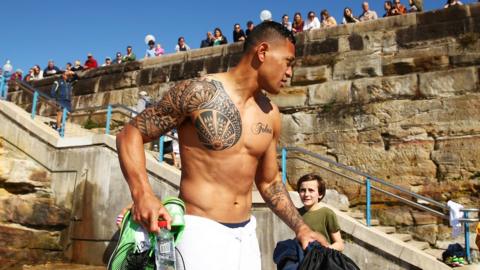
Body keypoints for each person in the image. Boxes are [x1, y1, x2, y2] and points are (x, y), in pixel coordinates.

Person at [116, 21, 328, 270]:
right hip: (200, 233)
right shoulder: (198, 93)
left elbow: (269, 182)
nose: (290, 72)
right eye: (288, 62)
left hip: (247, 235)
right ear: (262, 52)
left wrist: (301, 227)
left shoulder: (270, 113)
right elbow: (130, 134)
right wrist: (143, 195)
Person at [297, 173, 345, 251]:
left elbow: (340, 244)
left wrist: (322, 250)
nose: (306, 194)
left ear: (320, 194)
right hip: (303, 260)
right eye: (302, 190)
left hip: (322, 260)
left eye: (311, 190)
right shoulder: (296, 214)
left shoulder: (327, 213)